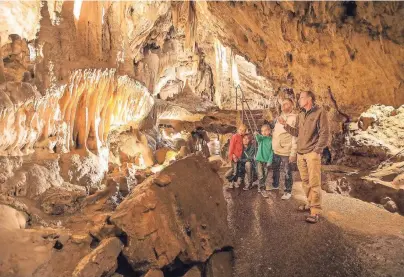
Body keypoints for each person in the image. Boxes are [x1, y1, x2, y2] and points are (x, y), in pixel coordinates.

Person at [278, 91, 329, 224]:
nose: (299, 100)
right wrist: (285, 125)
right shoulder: (301, 114)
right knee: (305, 182)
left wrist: (317, 150)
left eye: (301, 97)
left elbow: (324, 133)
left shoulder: (320, 112)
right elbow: (297, 133)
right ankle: (310, 203)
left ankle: (315, 210)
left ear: (309, 99)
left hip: (312, 152)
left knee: (314, 182)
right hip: (301, 153)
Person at [271, 98, 297, 200]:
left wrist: (293, 153)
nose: (283, 106)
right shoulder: (279, 117)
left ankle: (287, 191)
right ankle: (275, 185)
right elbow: (275, 132)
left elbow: (295, 136)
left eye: (286, 104)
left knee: (287, 171)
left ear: (291, 106)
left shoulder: (295, 118)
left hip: (286, 150)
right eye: (282, 104)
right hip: (276, 149)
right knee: (275, 168)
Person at [225, 124, 247, 188]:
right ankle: (230, 182)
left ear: (245, 132)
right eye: (240, 130)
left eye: (243, 131)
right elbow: (231, 147)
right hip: (234, 157)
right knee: (234, 171)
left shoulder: (243, 137)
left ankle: (234, 182)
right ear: (237, 130)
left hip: (239, 158)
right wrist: (232, 155)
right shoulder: (234, 136)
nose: (241, 131)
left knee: (237, 171)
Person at [254, 124, 273, 192]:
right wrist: (256, 134)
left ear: (269, 131)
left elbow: (272, 151)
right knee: (261, 174)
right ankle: (262, 188)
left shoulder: (272, 140)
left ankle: (260, 183)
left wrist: (269, 161)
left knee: (265, 174)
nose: (264, 132)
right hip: (259, 159)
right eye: (262, 131)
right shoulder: (262, 138)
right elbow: (258, 138)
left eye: (265, 130)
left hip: (267, 160)